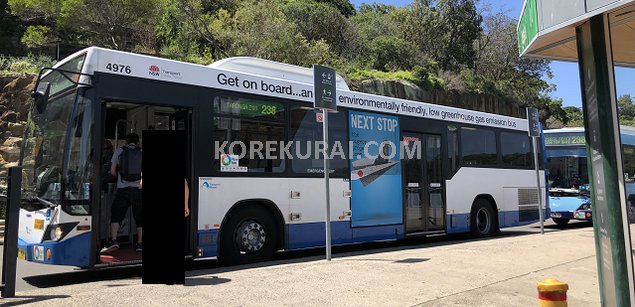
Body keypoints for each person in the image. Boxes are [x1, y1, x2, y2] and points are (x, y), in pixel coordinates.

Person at [101, 133, 143, 254]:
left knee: (116, 215)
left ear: (126, 142)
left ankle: (114, 241)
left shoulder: (119, 151)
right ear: (137, 142)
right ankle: (140, 244)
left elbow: (113, 172)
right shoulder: (142, 151)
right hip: (138, 190)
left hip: (123, 190)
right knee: (140, 218)